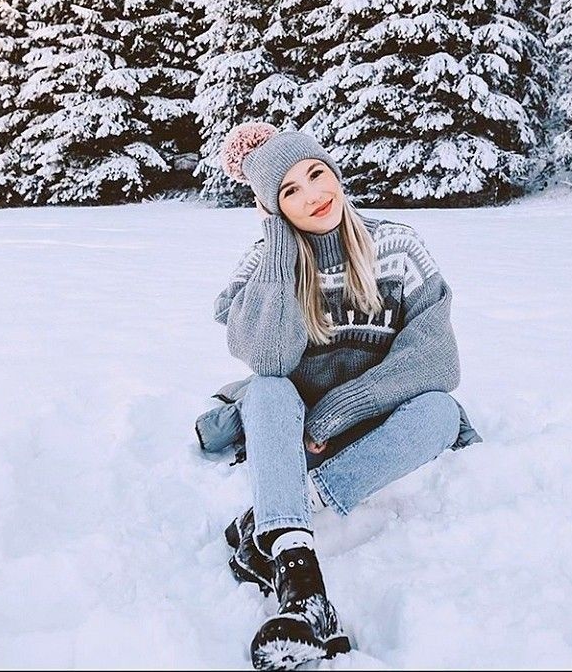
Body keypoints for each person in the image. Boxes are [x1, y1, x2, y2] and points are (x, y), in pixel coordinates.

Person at [195, 121, 482, 671]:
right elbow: (271, 359)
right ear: (272, 209)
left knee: (441, 411)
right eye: (289, 192)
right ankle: (302, 585)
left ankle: (267, 526)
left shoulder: (396, 245)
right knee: (270, 389)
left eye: (316, 174)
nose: (313, 195)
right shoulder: (263, 264)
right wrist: (280, 248)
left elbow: (436, 359)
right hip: (290, 428)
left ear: (335, 173)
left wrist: (341, 410)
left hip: (371, 420)